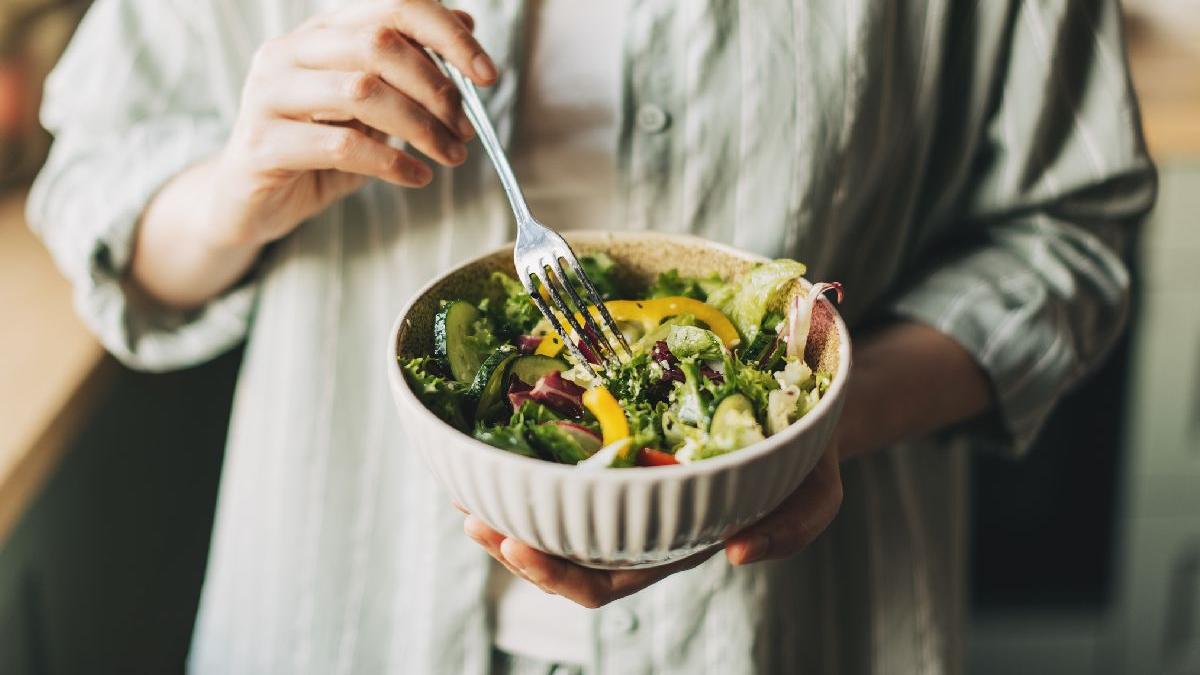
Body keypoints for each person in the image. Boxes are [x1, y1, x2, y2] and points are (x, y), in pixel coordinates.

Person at [28, 0, 1155, 673]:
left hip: (795, 626)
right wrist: (239, 190)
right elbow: (95, 191)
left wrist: (820, 423)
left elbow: (1072, 235)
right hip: (342, 605)